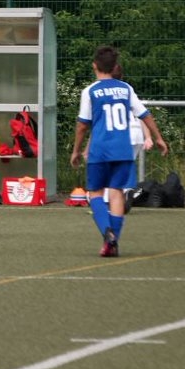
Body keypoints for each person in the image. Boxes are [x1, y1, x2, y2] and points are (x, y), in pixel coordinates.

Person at [70, 45, 168, 257]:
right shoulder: (126, 89)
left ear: (94, 66)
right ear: (115, 66)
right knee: (116, 194)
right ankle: (113, 243)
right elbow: (145, 114)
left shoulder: (90, 91)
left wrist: (76, 150)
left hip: (100, 149)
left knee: (95, 193)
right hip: (123, 150)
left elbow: (82, 125)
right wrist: (158, 138)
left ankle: (108, 233)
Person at [100, 64, 152, 209]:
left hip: (121, 135)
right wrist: (148, 136)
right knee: (125, 167)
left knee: (109, 168)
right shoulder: (128, 89)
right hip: (137, 134)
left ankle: (107, 202)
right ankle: (127, 191)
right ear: (122, 76)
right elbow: (142, 114)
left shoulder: (103, 91)